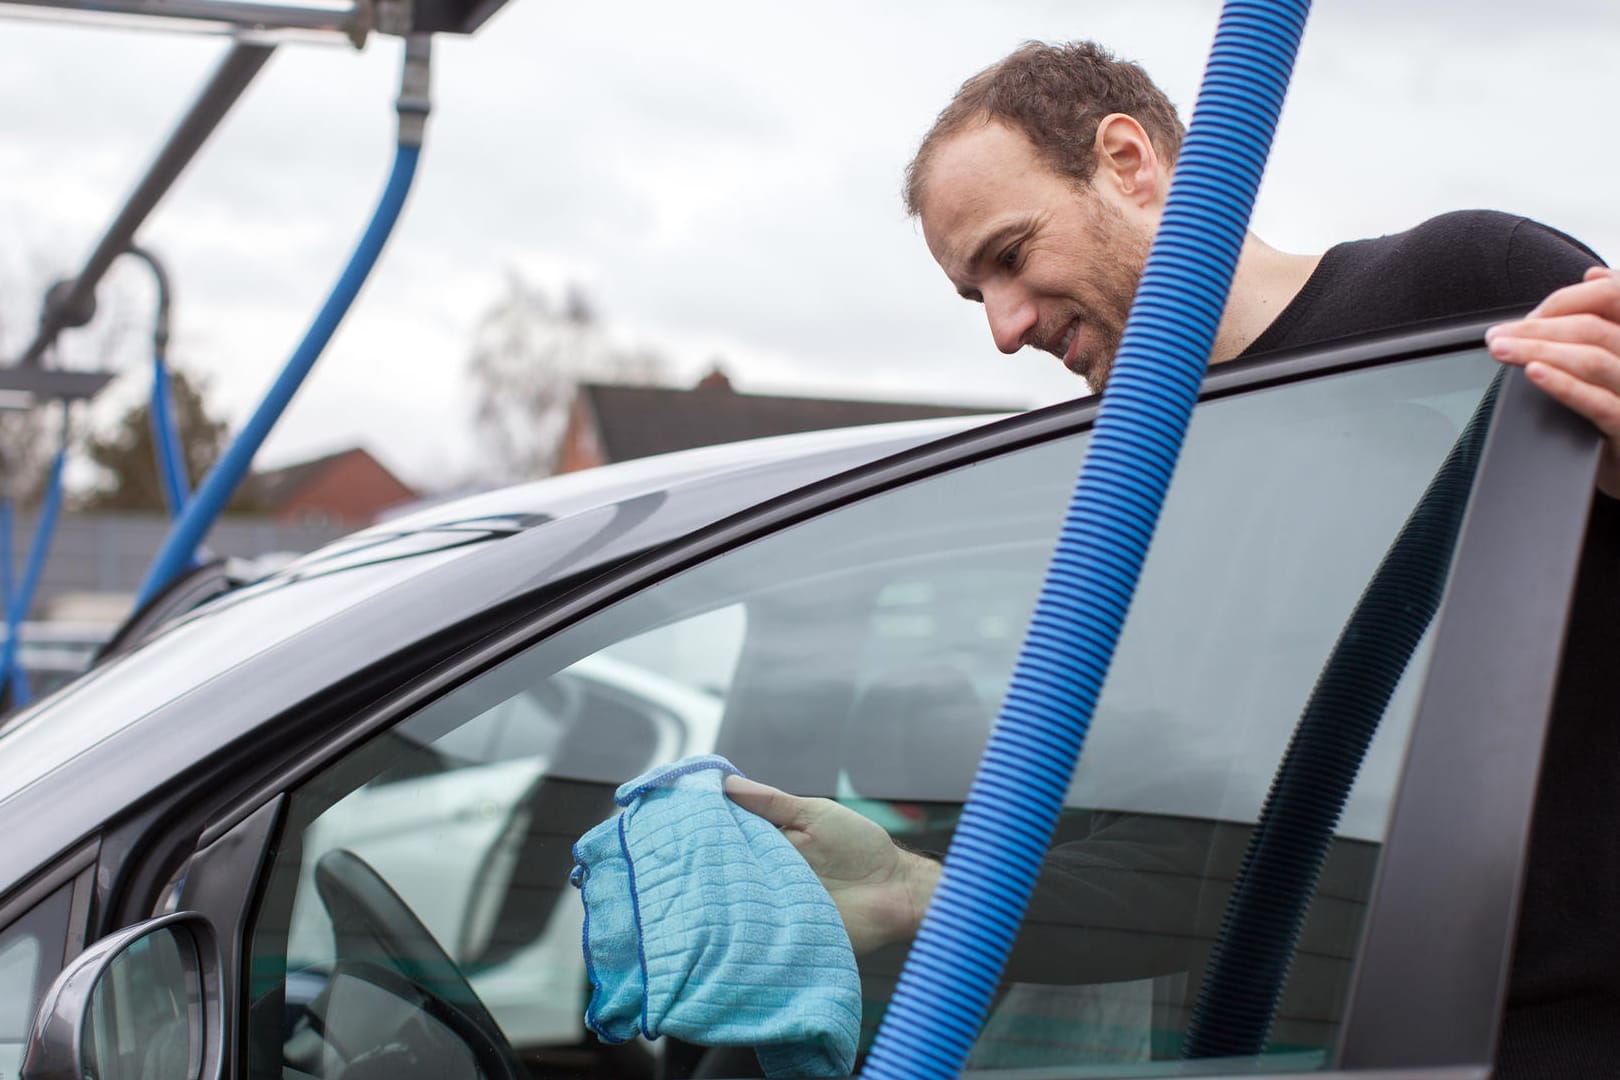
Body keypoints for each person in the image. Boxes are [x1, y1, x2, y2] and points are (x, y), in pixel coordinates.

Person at [725, 39, 1620, 1071]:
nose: (1007, 330)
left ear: (1128, 161)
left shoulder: (1464, 287)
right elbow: (1183, 862)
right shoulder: (1132, 496)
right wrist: (908, 888)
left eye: (1012, 256)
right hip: (1299, 1046)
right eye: (977, 298)